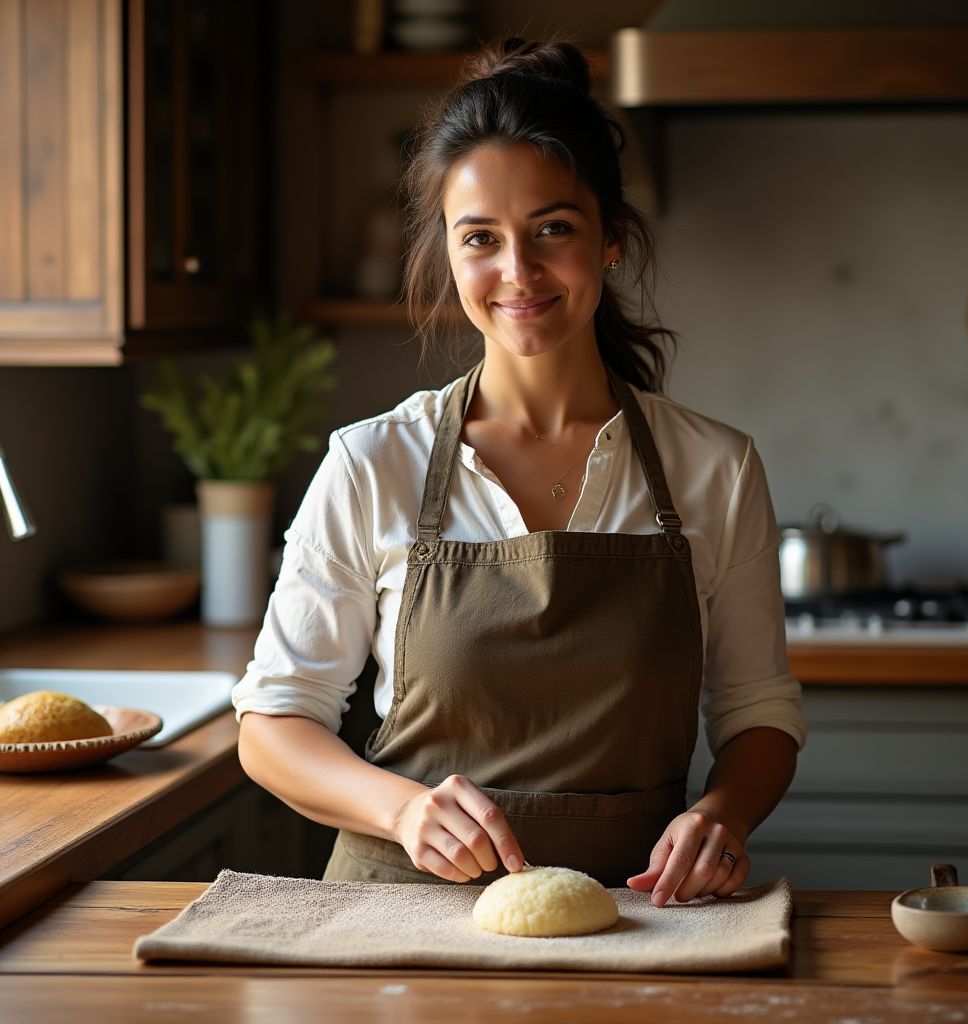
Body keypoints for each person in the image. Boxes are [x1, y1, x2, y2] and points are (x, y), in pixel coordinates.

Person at [233, 37, 807, 907]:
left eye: (553, 229)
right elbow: (272, 724)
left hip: (633, 914)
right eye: (481, 239)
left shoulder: (714, 469)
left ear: (612, 238)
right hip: (394, 915)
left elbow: (757, 709)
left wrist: (722, 815)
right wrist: (404, 811)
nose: (518, 271)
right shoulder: (372, 462)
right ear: (448, 255)